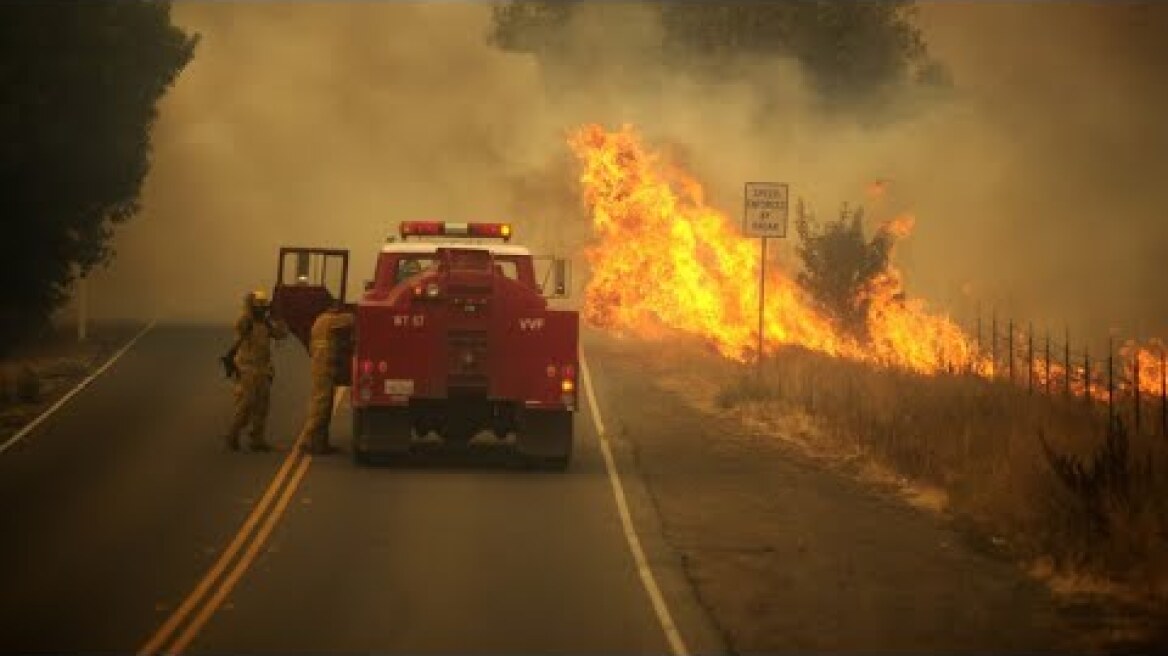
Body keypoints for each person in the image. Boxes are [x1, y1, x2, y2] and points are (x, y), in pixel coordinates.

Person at [224, 290, 289, 452]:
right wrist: (249, 314)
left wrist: (279, 319)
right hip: (247, 369)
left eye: (264, 306)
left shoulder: (265, 324)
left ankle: (257, 440)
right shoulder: (246, 322)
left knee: (262, 407)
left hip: (263, 370)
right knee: (245, 405)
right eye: (259, 306)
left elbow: (281, 335)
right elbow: (238, 328)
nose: (263, 309)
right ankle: (232, 435)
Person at [297, 300, 355, 455]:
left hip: (321, 366)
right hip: (324, 367)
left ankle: (320, 443)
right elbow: (350, 320)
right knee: (321, 405)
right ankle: (308, 441)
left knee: (326, 405)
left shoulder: (319, 321)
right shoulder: (329, 320)